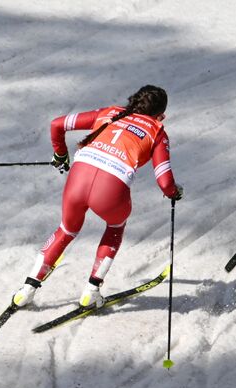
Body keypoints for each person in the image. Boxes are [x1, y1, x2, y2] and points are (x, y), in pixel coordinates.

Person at [10, 85, 183, 311]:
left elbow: (57, 124)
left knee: (66, 230)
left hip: (78, 182)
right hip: (111, 191)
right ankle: (91, 291)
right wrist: (175, 193)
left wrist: (61, 155)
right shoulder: (157, 131)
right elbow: (165, 182)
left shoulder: (109, 112)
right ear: (161, 115)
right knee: (114, 228)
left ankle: (26, 290)